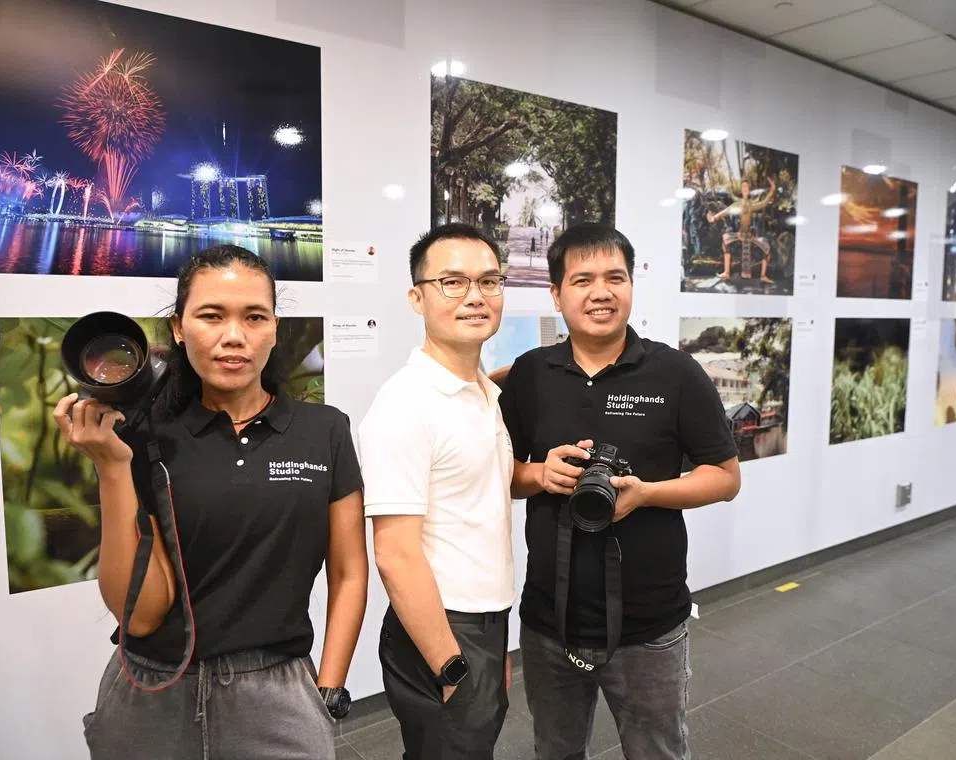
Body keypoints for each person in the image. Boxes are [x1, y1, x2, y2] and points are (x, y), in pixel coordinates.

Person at [53, 245, 368, 759]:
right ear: (179, 328)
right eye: (211, 316)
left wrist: (328, 686)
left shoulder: (324, 430)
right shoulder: (144, 436)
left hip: (278, 691)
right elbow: (140, 615)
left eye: (254, 317)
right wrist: (112, 467)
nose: (234, 337)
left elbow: (350, 572)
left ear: (274, 328)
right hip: (152, 693)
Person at [498, 223, 742, 760]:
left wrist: (647, 493)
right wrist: (541, 475)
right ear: (556, 293)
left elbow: (725, 478)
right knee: (555, 750)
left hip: (650, 621)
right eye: (582, 279)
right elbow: (498, 475)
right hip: (549, 619)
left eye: (615, 277)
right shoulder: (530, 374)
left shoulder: (675, 372)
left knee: (657, 750)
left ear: (632, 286)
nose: (601, 292)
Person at [359, 223, 515, 759]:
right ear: (417, 297)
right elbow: (394, 554)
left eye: (489, 281)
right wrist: (452, 665)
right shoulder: (406, 404)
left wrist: (496, 640)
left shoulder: (481, 391)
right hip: (441, 626)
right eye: (452, 282)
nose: (475, 296)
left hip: (483, 619)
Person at [706, 176, 777, 283]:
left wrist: (773, 189)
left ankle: (763, 276)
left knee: (767, 249)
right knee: (725, 241)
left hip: (749, 236)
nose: (744, 188)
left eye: (746, 187)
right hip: (739, 234)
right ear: (741, 189)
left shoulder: (752, 204)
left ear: (748, 190)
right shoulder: (737, 204)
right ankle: (727, 272)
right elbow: (726, 211)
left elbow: (765, 202)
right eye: (743, 186)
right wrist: (714, 218)